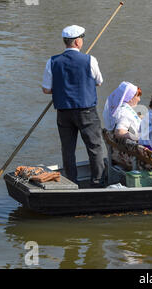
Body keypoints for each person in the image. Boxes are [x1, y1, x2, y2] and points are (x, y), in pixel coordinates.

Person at [42, 25, 105, 187]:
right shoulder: (90, 60)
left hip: (63, 112)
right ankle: (97, 181)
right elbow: (99, 82)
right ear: (77, 42)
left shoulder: (52, 61)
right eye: (81, 39)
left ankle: (71, 181)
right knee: (95, 147)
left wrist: (62, 88)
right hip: (86, 111)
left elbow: (46, 89)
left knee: (68, 148)